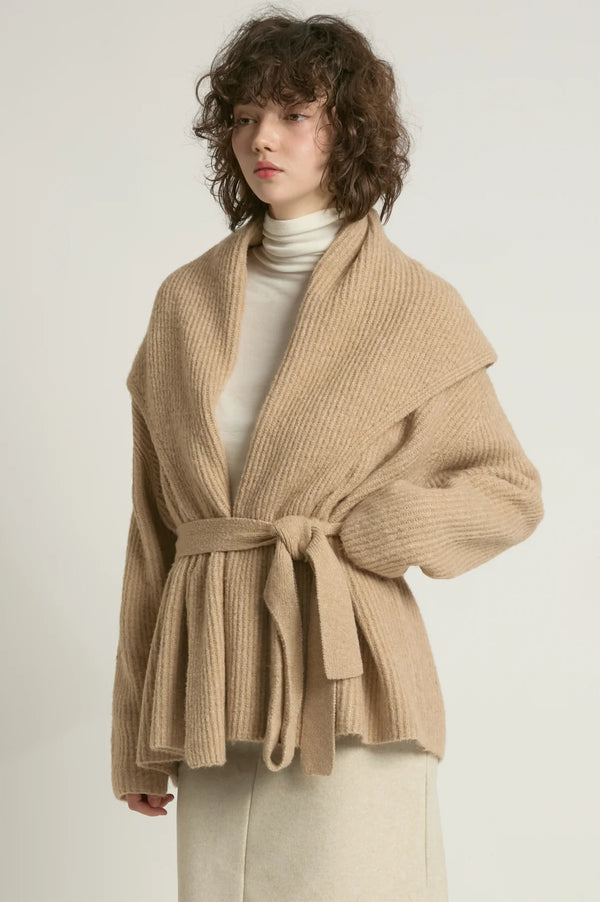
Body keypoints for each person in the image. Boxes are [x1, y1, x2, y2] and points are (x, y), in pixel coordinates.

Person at [110, 9, 544, 901]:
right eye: (244, 116)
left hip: (352, 691)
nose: (261, 138)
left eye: (294, 113)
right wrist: (134, 738)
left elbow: (510, 489)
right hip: (211, 686)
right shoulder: (184, 303)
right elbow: (154, 532)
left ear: (349, 130)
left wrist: (392, 528)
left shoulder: (411, 304)